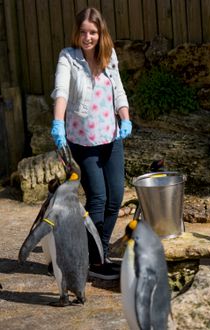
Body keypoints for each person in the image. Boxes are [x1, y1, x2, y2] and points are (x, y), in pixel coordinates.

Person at [50, 7, 132, 280]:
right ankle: (94, 261)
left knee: (116, 197)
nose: (88, 37)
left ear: (100, 33)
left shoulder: (109, 56)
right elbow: (61, 91)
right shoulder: (68, 58)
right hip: (82, 142)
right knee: (98, 199)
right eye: (83, 32)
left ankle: (95, 253)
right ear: (77, 33)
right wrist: (58, 124)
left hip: (111, 138)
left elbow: (118, 90)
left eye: (93, 32)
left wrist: (126, 118)